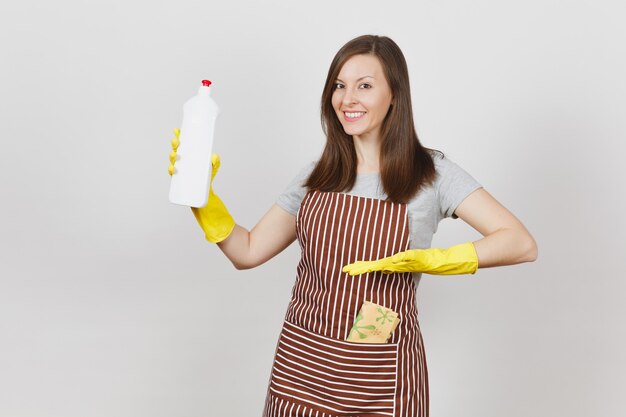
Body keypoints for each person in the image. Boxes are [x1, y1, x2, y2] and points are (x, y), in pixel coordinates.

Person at [168, 34, 538, 417]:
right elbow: (247, 252)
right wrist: (205, 202)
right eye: (339, 86)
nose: (348, 99)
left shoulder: (432, 174)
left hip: (378, 370)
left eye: (365, 85)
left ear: (394, 94)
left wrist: (437, 259)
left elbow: (520, 243)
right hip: (301, 366)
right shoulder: (317, 174)